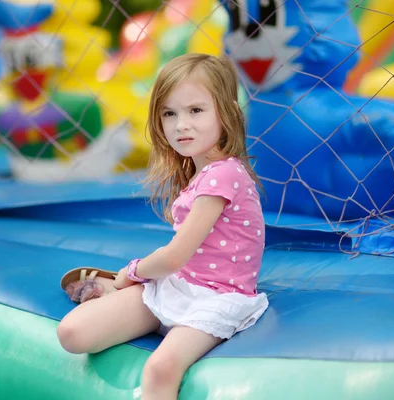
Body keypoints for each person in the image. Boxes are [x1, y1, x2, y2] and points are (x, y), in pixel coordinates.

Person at [57, 53, 269, 400]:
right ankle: (115, 293)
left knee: (159, 368)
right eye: (170, 113)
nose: (181, 124)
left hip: (215, 299)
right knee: (73, 333)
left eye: (195, 110)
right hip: (178, 286)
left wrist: (131, 272)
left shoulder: (225, 173)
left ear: (227, 113)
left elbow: (173, 257)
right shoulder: (199, 172)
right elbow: (177, 266)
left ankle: (116, 286)